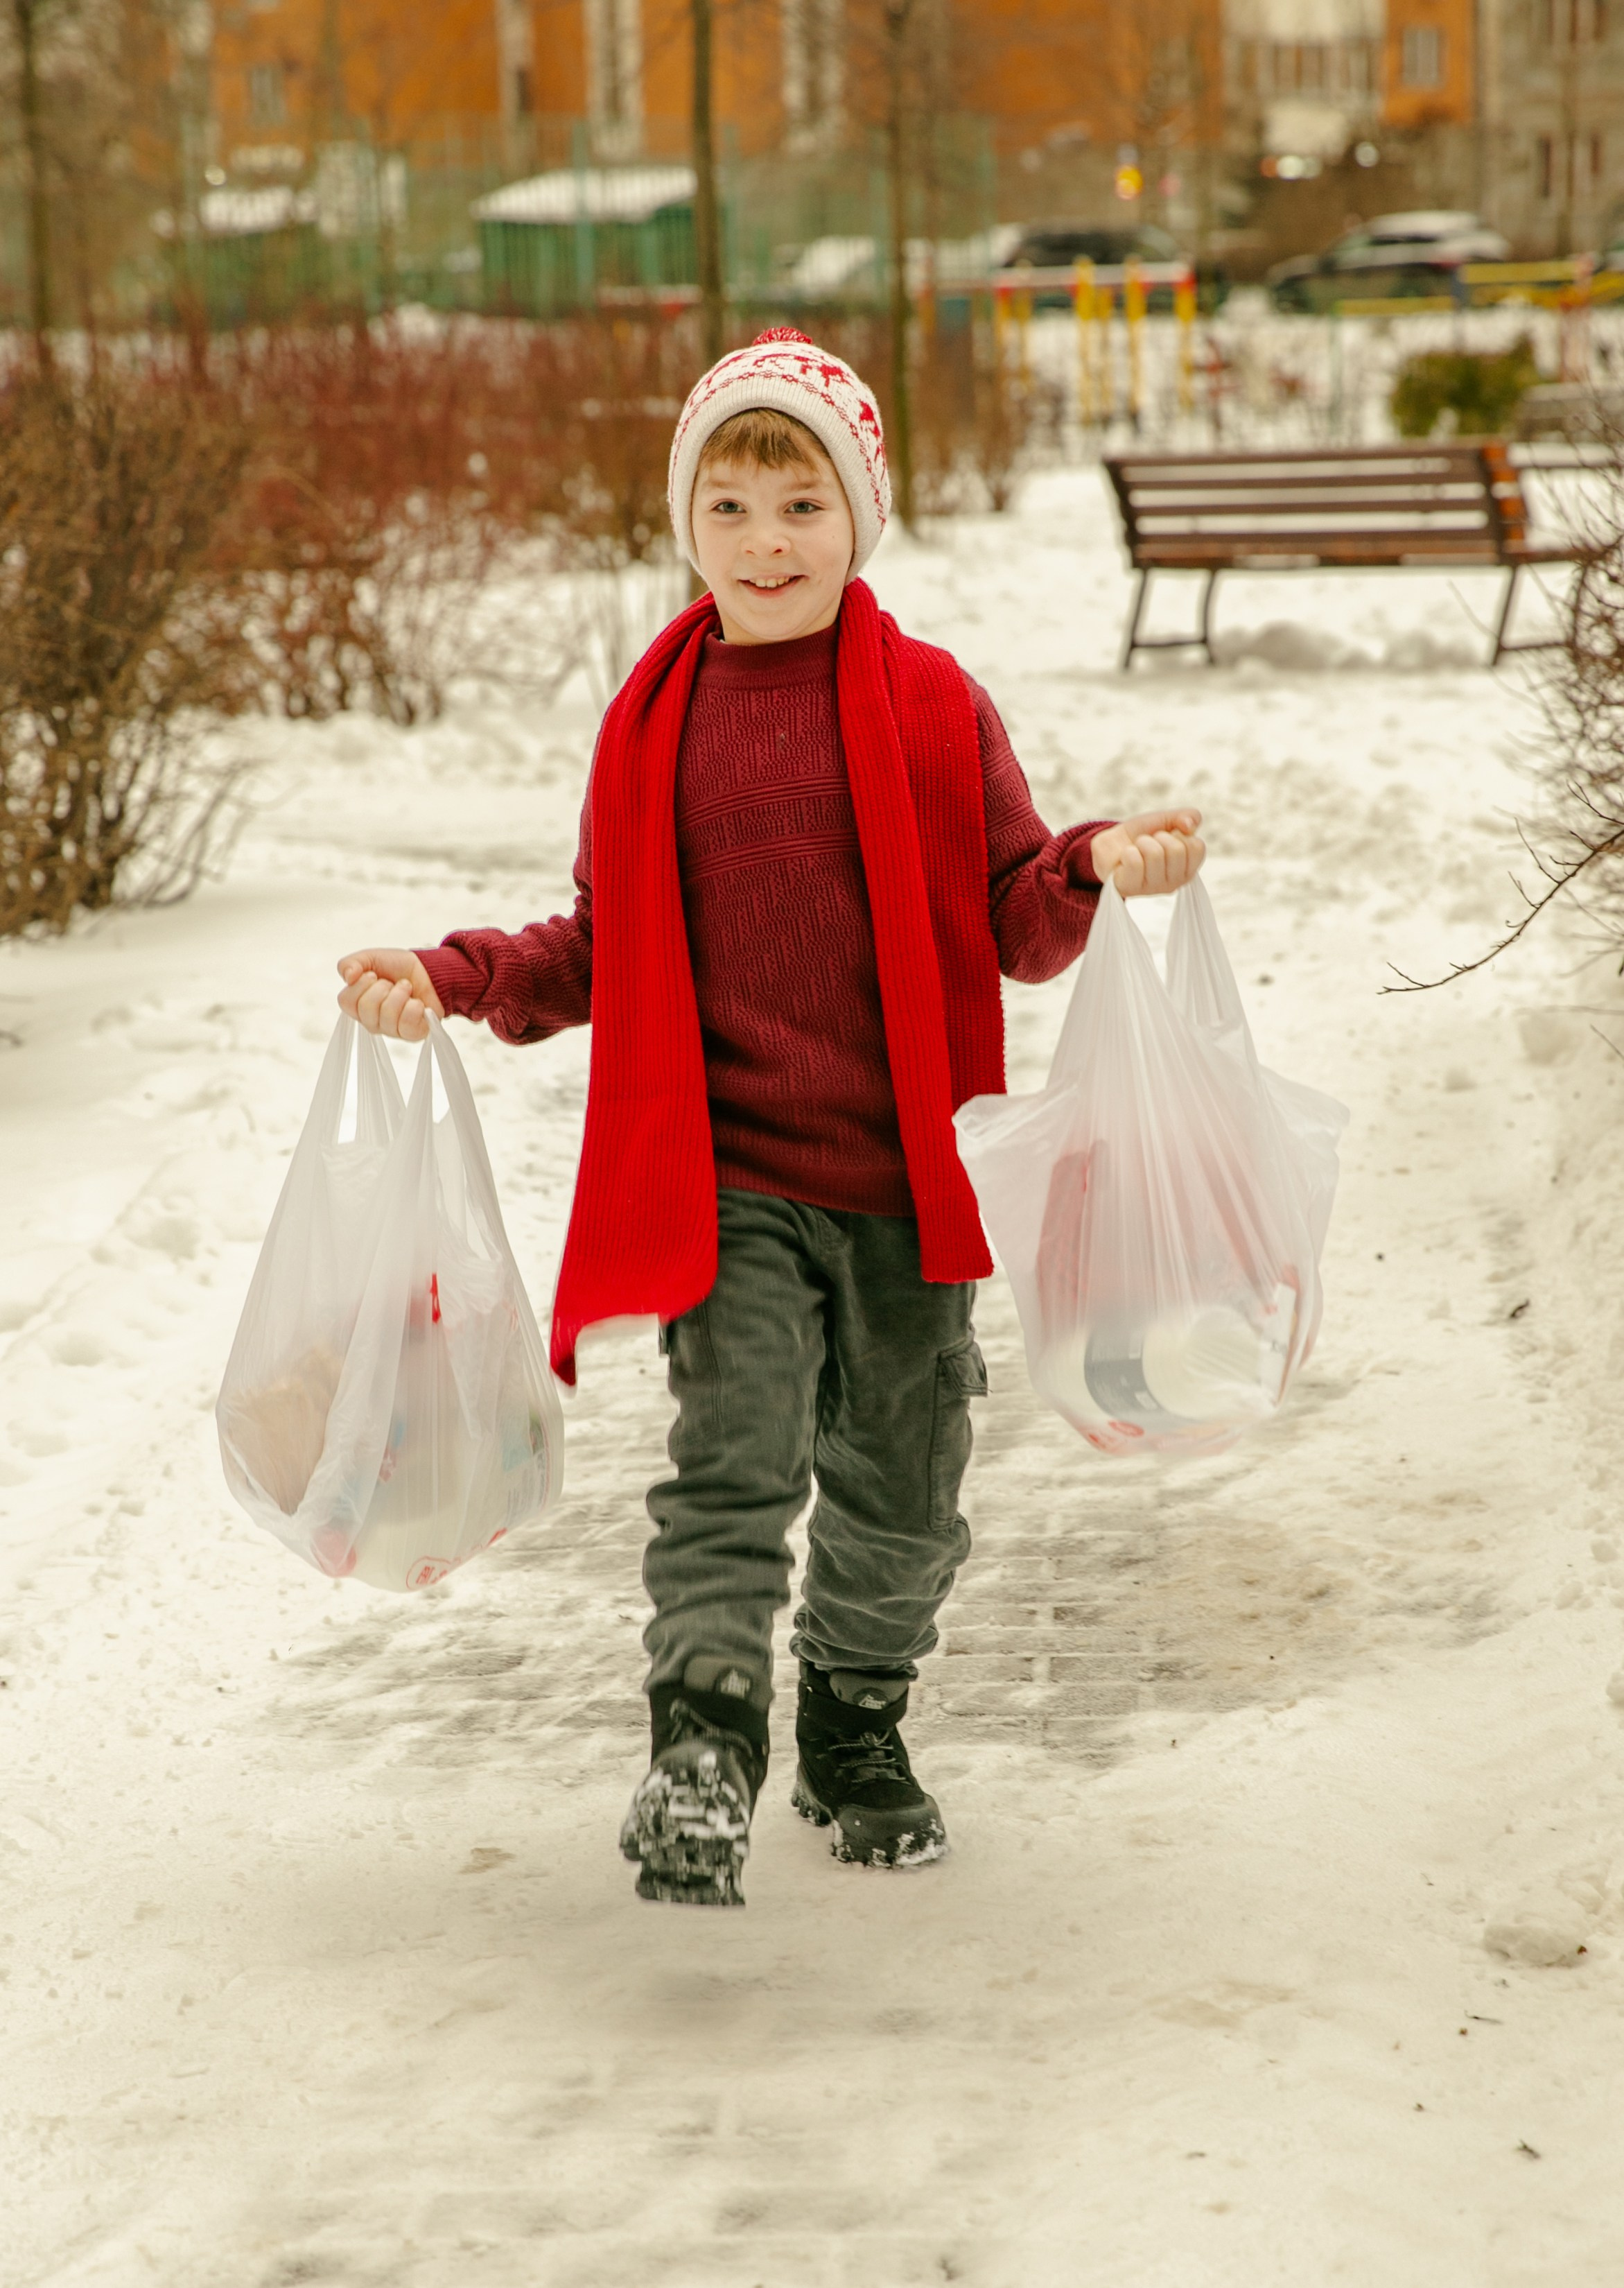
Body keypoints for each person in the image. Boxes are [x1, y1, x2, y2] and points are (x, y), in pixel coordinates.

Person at [337, 330, 1203, 1908]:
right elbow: (595, 943)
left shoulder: (934, 709)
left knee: (900, 1496)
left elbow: (1014, 914)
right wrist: (454, 977)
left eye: (798, 503)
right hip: (721, 1182)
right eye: (727, 508)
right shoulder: (651, 726)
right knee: (727, 1465)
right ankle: (702, 1745)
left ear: (856, 515)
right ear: (687, 526)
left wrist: (1084, 866)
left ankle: (851, 1723)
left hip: (905, 1183)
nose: (763, 542)